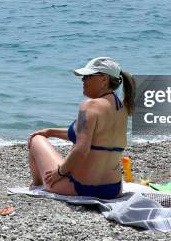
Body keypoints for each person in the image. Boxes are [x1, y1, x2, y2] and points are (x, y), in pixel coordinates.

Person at [27, 57, 135, 199]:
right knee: (44, 135)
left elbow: (81, 150)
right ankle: (42, 182)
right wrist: (50, 132)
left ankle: (39, 184)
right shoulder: (122, 108)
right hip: (113, 189)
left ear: (104, 79)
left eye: (88, 76)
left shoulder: (90, 105)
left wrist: (59, 173)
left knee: (36, 139)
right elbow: (90, 135)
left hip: (81, 188)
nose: (83, 80)